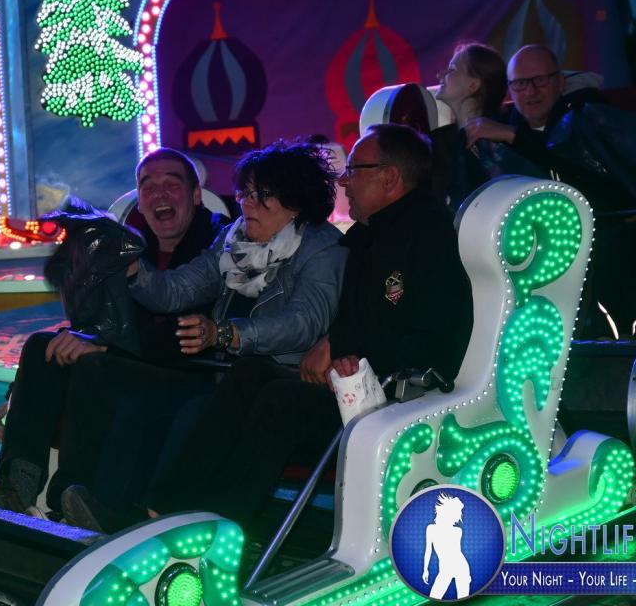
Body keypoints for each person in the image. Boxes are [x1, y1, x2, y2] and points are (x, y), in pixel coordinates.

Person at [61, 124, 473, 534]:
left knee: (262, 400)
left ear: (389, 177)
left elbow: (314, 323)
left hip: (389, 396)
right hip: (276, 374)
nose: (345, 181)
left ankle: (220, 533)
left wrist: (240, 335)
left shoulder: (387, 239)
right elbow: (177, 289)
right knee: (233, 375)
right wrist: (133, 269)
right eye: (244, 194)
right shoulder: (253, 241)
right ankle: (154, 515)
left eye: (261, 196)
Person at [0, 147, 228, 514]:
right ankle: (16, 484)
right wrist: (16, 394)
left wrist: (106, 348)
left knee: (95, 366)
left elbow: (190, 335)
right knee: (43, 345)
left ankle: (71, 496)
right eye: (148, 187)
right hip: (130, 361)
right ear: (140, 200)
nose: (160, 194)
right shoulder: (129, 246)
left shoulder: (219, 245)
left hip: (190, 371)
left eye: (172, 184)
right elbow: (92, 319)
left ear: (196, 195)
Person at [463, 44, 636, 336]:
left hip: (607, 260)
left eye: (540, 80)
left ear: (560, 83)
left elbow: (581, 172)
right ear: (509, 90)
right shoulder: (497, 135)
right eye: (520, 84)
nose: (531, 91)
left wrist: (514, 137)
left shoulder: (587, 116)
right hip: (534, 278)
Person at [430, 42, 508, 209]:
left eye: (451, 70)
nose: (440, 75)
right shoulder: (436, 141)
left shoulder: (504, 139)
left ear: (473, 85)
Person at [422, 493, 471, 599]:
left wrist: (467, 575)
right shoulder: (431, 529)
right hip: (445, 569)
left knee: (464, 599)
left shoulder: (457, 531)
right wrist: (425, 569)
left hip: (460, 567)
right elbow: (428, 550)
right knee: (434, 596)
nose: (457, 517)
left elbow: (457, 552)